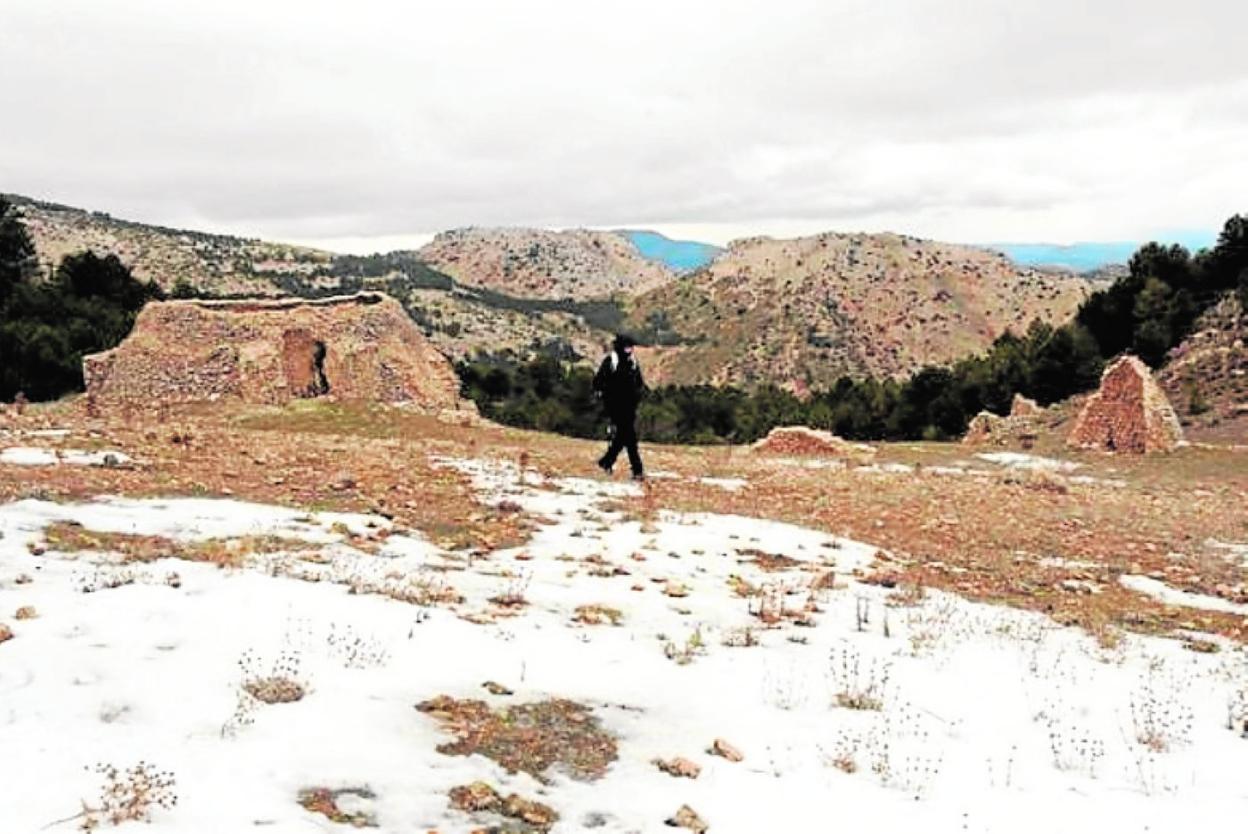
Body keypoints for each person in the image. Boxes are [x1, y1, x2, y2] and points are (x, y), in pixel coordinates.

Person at [592, 334, 646, 480]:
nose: (630, 349)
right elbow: (597, 382)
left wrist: (638, 397)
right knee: (630, 439)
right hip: (615, 407)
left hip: (629, 408)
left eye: (631, 347)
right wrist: (607, 396)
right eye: (627, 346)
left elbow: (640, 383)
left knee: (624, 438)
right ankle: (637, 471)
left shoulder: (633, 363)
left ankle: (606, 461)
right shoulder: (611, 362)